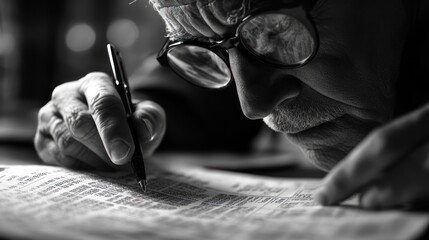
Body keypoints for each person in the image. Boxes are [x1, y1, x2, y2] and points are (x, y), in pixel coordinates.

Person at [34, 0, 429, 209]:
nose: (252, 104)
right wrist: (109, 115)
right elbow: (174, 99)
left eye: (276, 33)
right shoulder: (226, 32)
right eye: (203, 46)